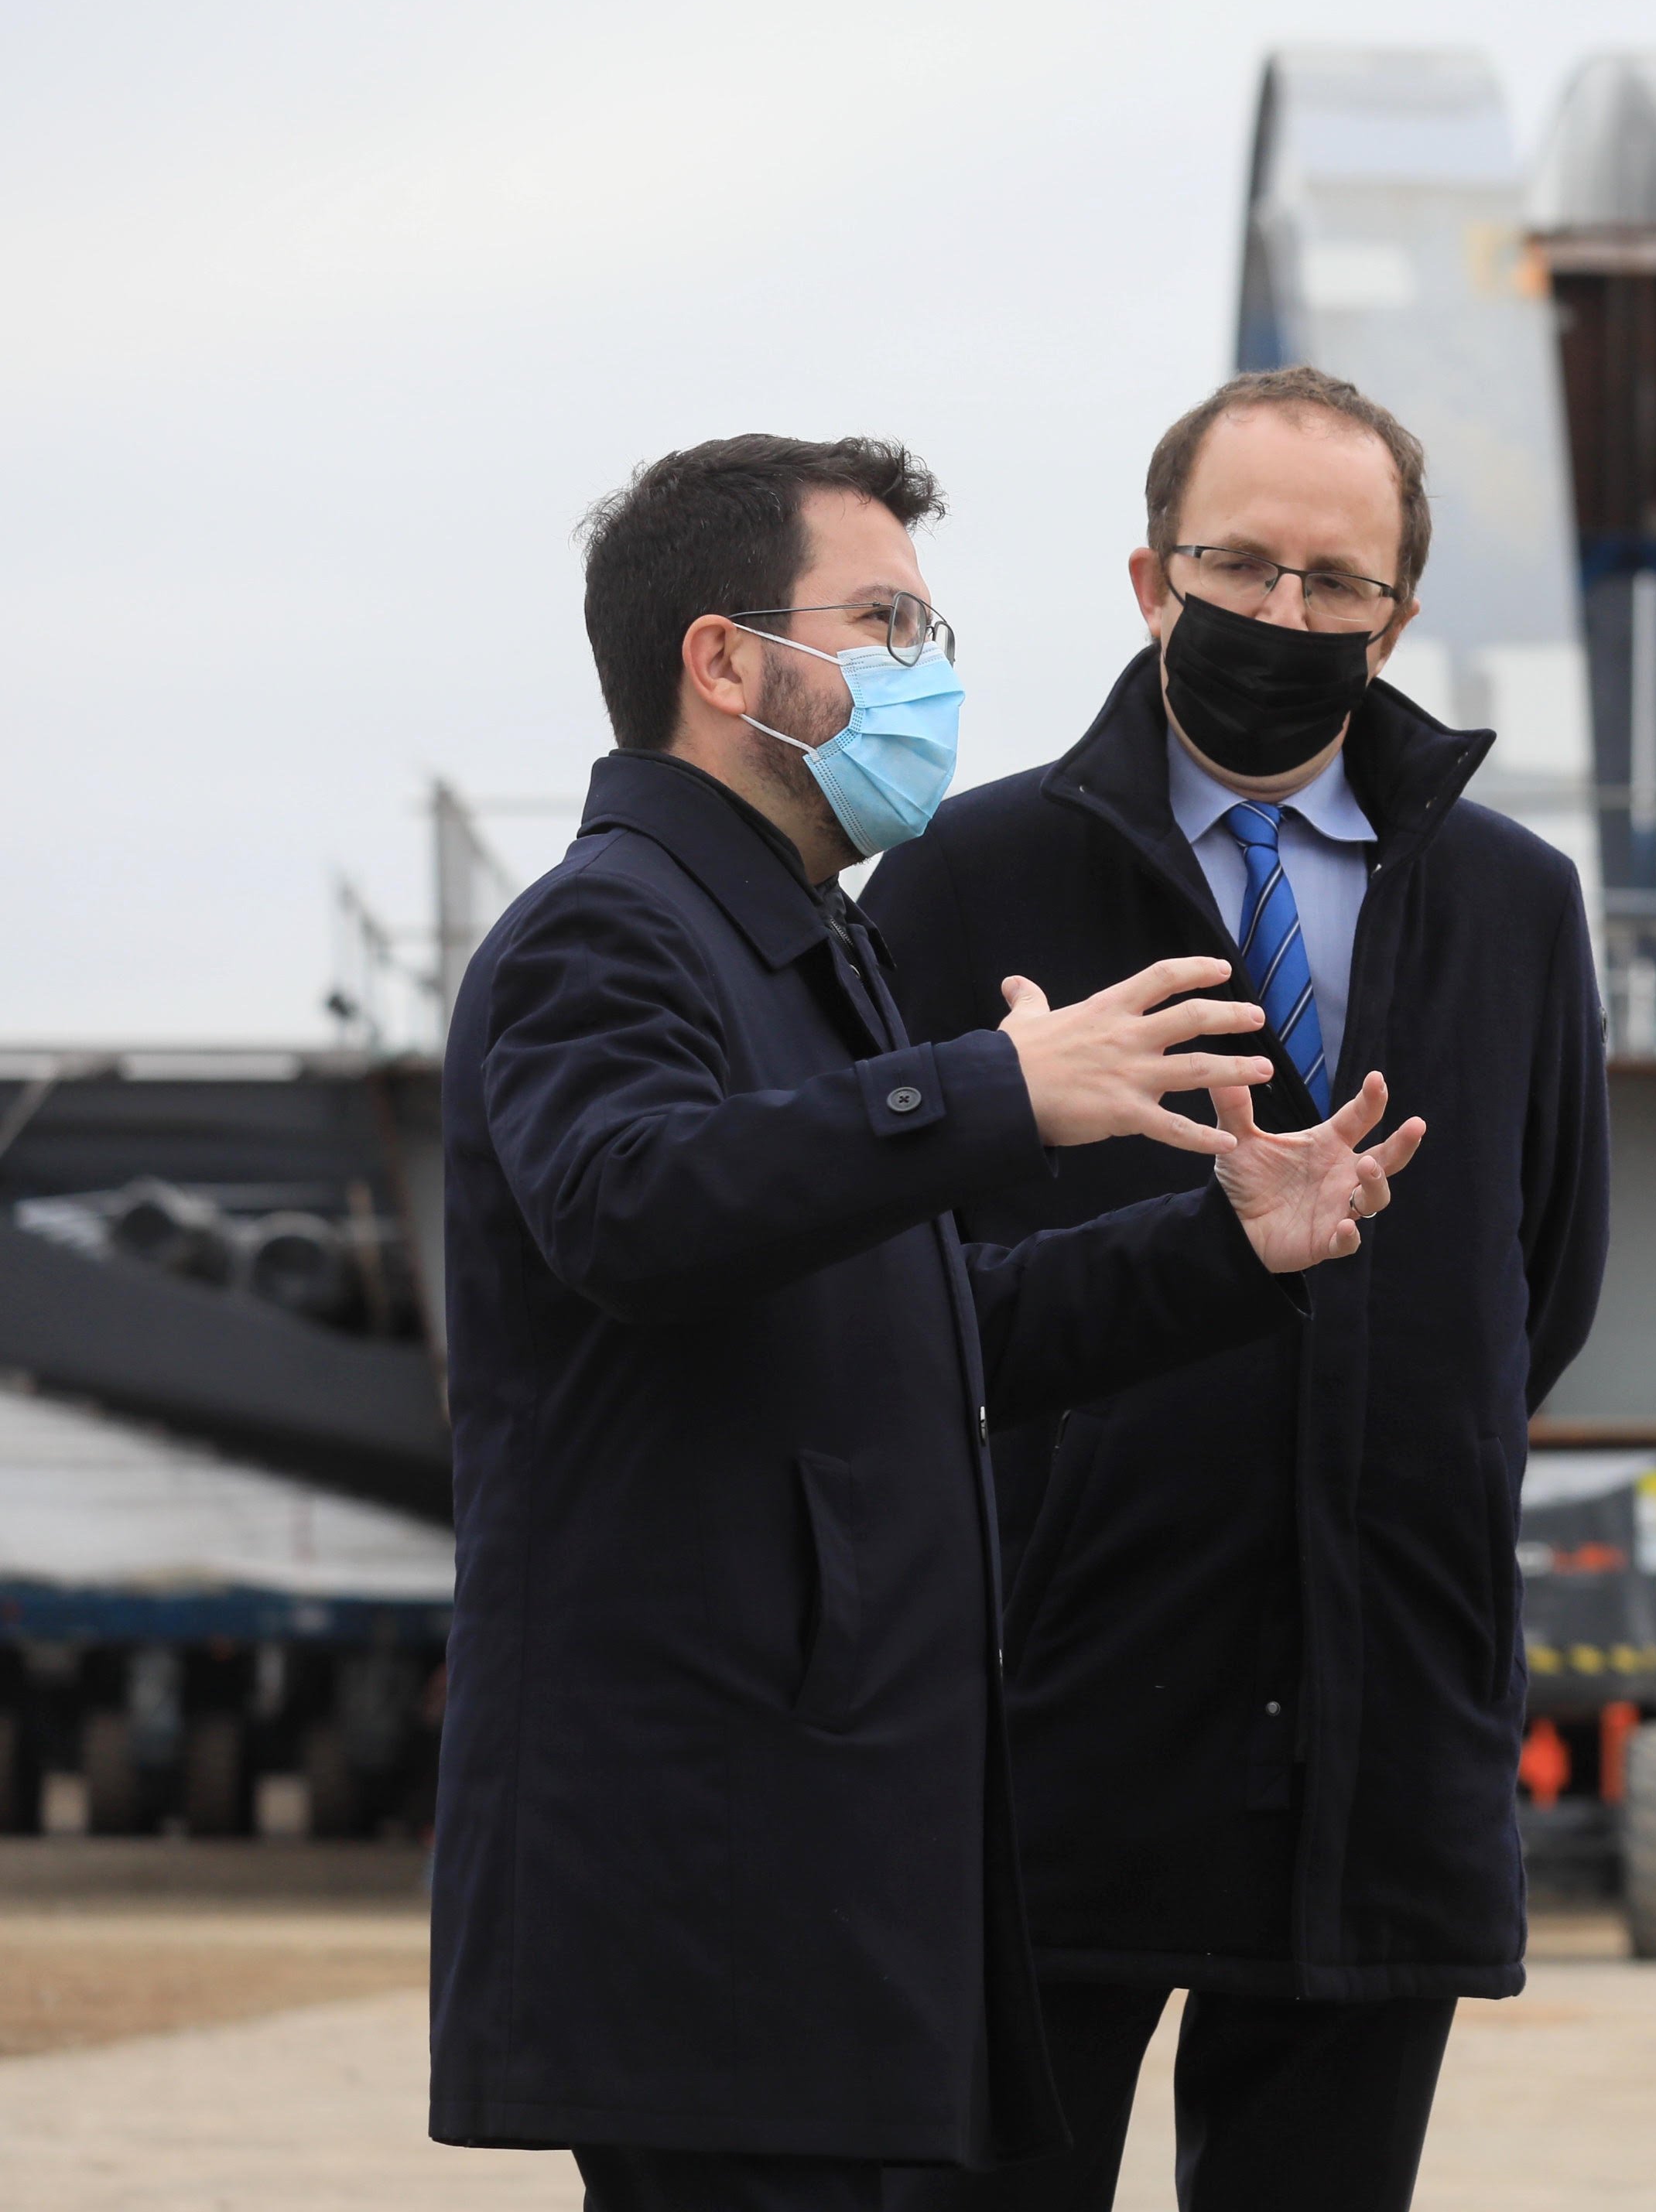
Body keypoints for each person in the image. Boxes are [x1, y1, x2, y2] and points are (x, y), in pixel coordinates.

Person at [429, 434, 1422, 2212]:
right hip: (704, 1855)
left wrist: (1222, 1245)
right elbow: (626, 1204)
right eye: (886, 621)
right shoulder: (605, 932)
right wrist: (987, 1092)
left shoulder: (804, 949)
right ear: (724, 660)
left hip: (814, 1855)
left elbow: (932, 1334)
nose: (932, 668)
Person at [866, 368, 1608, 2212]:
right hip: (1062, 1725)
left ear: (1397, 617)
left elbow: (1545, 1273)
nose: (1284, 617)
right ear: (1148, 579)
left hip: (1381, 1725)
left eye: (1334, 582)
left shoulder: (1515, 903)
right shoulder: (973, 877)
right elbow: (889, 1291)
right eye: (1241, 565)